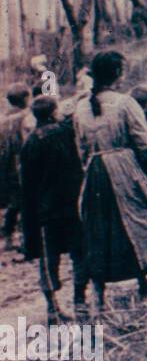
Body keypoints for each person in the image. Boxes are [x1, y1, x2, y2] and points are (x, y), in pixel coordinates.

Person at [73, 51, 147, 310]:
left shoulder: (81, 106)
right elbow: (146, 144)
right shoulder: (126, 103)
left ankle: (98, 300)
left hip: (95, 173)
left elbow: (81, 148)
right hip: (124, 170)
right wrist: (144, 171)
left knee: (100, 232)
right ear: (117, 73)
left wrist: (92, 168)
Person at [19, 95, 86, 321]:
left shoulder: (30, 143)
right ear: (53, 113)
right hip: (70, 203)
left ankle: (52, 307)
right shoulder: (64, 133)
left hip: (44, 209)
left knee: (49, 259)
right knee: (79, 252)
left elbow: (26, 182)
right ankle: (80, 301)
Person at [1, 82, 32, 252]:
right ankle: (24, 239)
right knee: (26, 202)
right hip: (23, 163)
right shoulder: (26, 117)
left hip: (7, 166)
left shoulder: (3, 119)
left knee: (13, 203)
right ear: (26, 99)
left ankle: (8, 236)